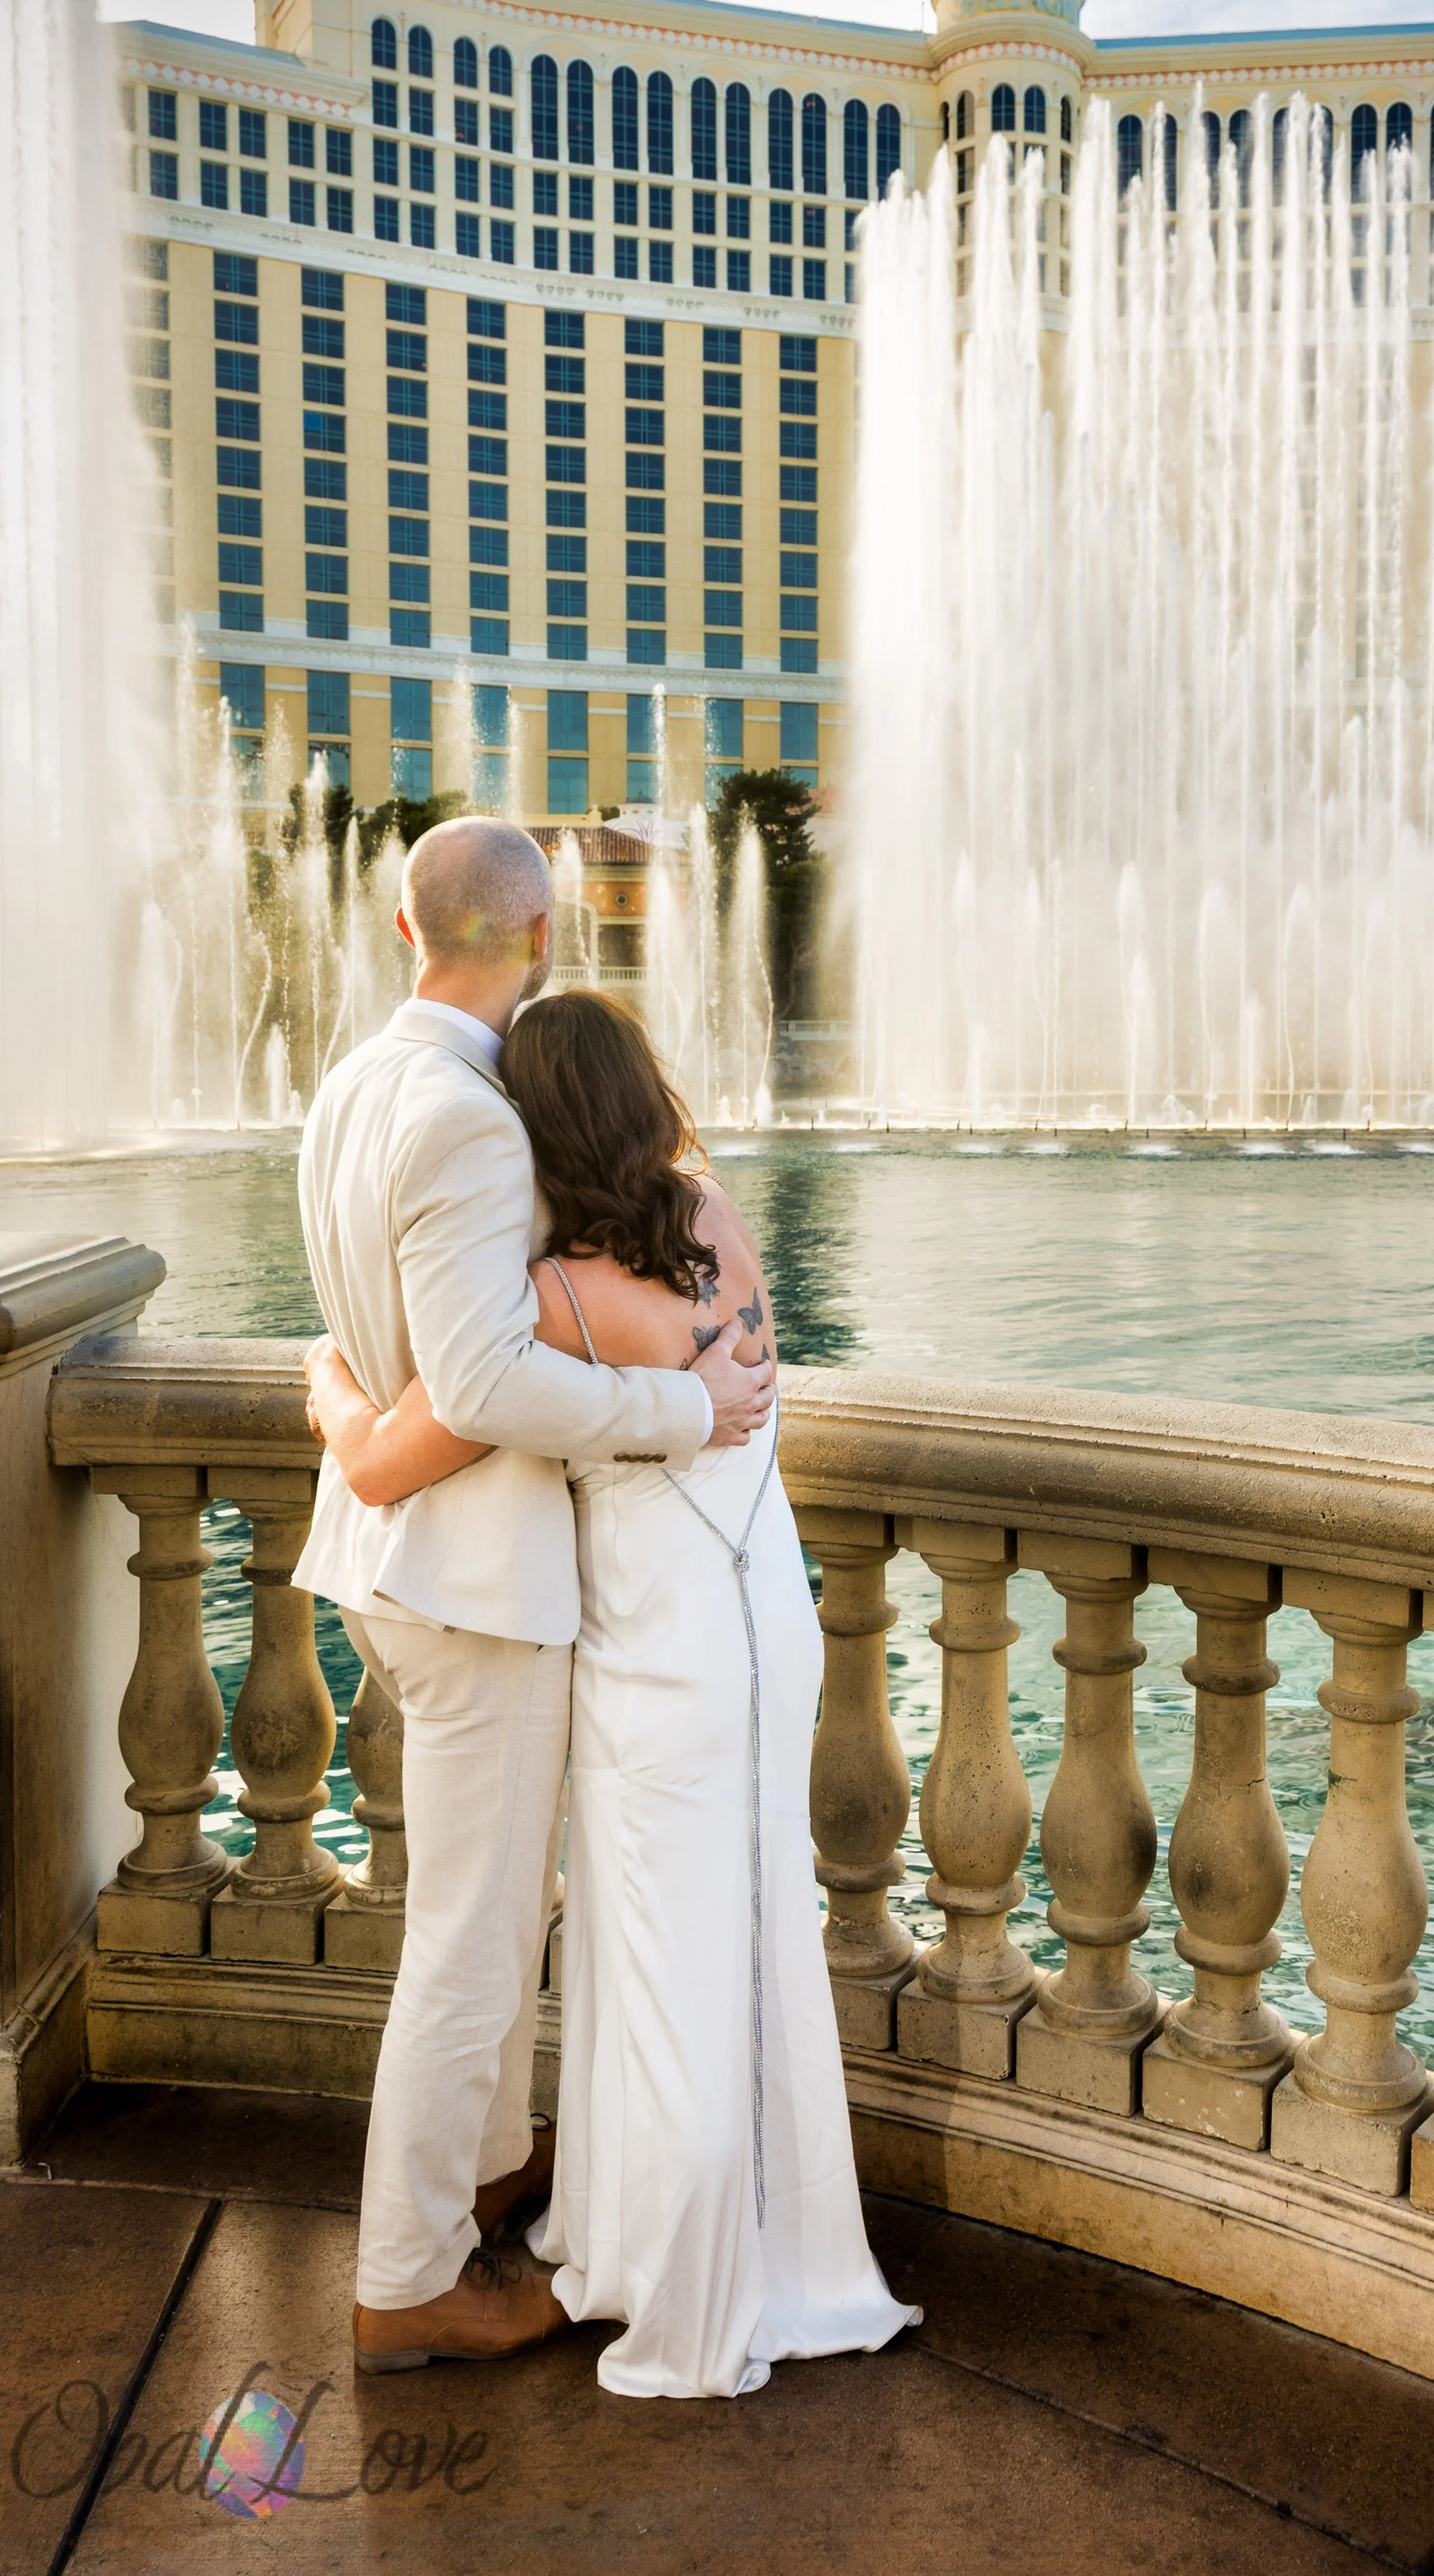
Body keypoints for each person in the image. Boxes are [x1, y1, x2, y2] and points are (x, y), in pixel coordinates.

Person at [306, 987, 917, 2401]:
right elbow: (739, 1377)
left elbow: (395, 1451)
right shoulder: (710, 1213)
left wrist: (331, 1385)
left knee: (657, 1948)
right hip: (765, 1609)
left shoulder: (555, 1296)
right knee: (753, 1931)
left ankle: (677, 2267)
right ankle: (783, 2241)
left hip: (655, 1642)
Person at [295, 819, 775, 2379]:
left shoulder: (353, 1087)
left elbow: (384, 1349)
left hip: (398, 1558)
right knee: (472, 1938)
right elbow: (491, 1374)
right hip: (476, 1581)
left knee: (485, 1920)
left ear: (398, 923)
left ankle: (486, 2166)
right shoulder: (469, 1118)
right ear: (546, 936)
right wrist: (682, 1417)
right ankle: (408, 2275)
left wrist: (349, 1426)